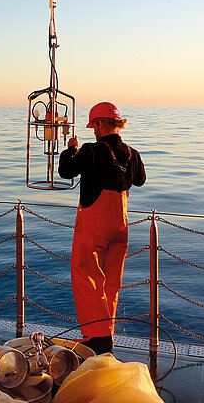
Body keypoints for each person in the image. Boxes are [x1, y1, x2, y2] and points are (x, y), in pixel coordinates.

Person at [58, 102, 146, 354]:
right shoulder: (132, 153)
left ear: (99, 124)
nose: (93, 131)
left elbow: (65, 171)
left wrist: (70, 150)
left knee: (86, 274)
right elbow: (140, 180)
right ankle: (107, 332)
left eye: (94, 126)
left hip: (95, 224)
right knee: (111, 280)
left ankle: (97, 336)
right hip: (120, 226)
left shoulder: (91, 150)